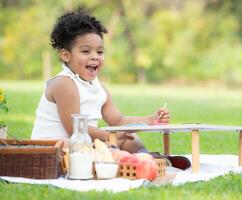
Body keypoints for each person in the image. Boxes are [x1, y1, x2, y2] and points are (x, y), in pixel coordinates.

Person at [31, 10, 170, 154]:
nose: (94, 57)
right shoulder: (64, 83)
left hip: (82, 143)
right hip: (53, 147)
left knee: (130, 137)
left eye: (100, 52)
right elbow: (75, 129)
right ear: (66, 55)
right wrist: (111, 137)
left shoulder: (98, 87)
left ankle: (145, 157)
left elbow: (118, 120)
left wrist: (150, 119)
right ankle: (126, 160)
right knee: (103, 147)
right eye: (86, 51)